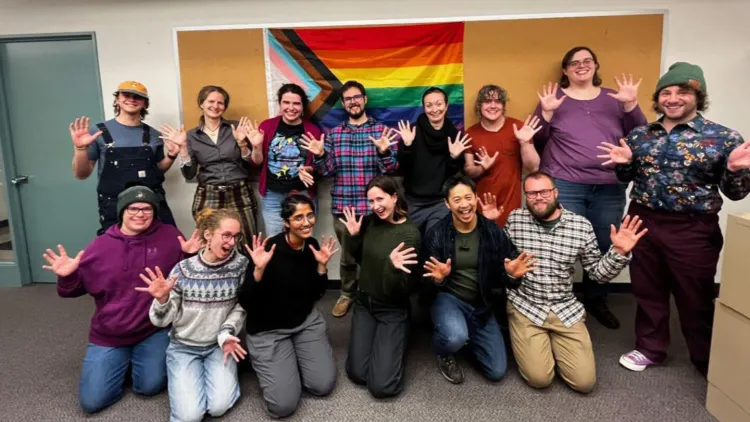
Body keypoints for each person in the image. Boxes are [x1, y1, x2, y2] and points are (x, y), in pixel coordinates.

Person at [597, 62, 750, 376]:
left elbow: (735, 194)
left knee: (695, 295)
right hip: (643, 220)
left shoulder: (722, 137)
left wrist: (735, 170)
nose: (673, 98)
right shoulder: (640, 135)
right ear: (657, 98)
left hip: (692, 226)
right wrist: (624, 164)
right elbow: (628, 177)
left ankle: (706, 357)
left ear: (697, 96)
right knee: (647, 289)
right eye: (666, 92)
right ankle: (650, 348)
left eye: (682, 91)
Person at [42, 185, 200, 414]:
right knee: (92, 402)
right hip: (110, 334)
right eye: (133, 208)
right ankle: (121, 362)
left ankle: (132, 363)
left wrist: (189, 256)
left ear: (154, 211)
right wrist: (68, 277)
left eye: (146, 208)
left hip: (152, 329)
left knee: (149, 387)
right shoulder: (101, 245)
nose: (140, 214)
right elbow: (71, 292)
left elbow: (184, 278)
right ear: (122, 212)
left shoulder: (169, 236)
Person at [532, 46, 649, 329]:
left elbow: (640, 135)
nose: (581, 66)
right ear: (565, 70)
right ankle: (562, 298)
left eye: (587, 61)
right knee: (562, 244)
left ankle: (597, 299)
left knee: (603, 244)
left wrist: (631, 105)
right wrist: (546, 113)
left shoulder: (615, 98)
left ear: (596, 66)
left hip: (609, 185)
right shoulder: (553, 99)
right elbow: (537, 140)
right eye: (574, 62)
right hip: (565, 182)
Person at [503, 171, 646, 393]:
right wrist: (511, 273)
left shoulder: (581, 226)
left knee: (584, 383)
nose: (538, 197)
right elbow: (501, 261)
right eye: (531, 193)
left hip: (564, 308)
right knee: (540, 379)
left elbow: (597, 274)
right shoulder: (515, 220)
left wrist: (617, 252)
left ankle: (556, 343)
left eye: (544, 192)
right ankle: (537, 344)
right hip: (526, 306)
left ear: (556, 192)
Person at [300, 80, 400, 318]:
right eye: (348, 99)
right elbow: (327, 172)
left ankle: (376, 294)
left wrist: (384, 152)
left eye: (357, 97)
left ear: (364, 100)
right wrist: (321, 154)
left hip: (375, 210)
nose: (353, 102)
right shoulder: (334, 135)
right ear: (343, 104)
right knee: (347, 258)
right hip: (344, 209)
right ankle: (347, 294)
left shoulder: (381, 132)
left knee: (377, 255)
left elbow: (392, 169)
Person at [422, 175, 534, 384]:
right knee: (454, 337)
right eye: (457, 200)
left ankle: (466, 336)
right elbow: (425, 285)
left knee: (497, 371)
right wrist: (438, 280)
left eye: (468, 197)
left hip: (481, 303)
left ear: (476, 198)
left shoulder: (492, 232)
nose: (464, 205)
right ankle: (445, 351)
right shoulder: (436, 234)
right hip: (449, 299)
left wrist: (512, 275)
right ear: (447, 204)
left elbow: (507, 275)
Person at [140, 208, 249, 422]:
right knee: (190, 417)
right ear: (208, 235)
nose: (231, 242)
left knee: (219, 407)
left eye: (236, 237)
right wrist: (162, 300)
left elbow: (241, 307)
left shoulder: (241, 266)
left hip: (219, 346)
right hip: (183, 347)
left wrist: (226, 334)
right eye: (226, 235)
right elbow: (160, 320)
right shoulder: (183, 270)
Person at [239, 194, 338, 419]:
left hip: (304, 322)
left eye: (310, 215)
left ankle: (294, 354)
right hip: (269, 330)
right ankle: (269, 360)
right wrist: (258, 271)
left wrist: (322, 267)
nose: (306, 222)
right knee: (282, 406)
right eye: (298, 217)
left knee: (322, 386)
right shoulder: (268, 251)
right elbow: (246, 302)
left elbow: (317, 293)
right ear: (286, 222)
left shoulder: (311, 246)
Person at [340, 175, 421, 398]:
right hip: (365, 303)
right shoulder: (370, 222)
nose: (375, 206)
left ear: (394, 197)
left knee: (381, 387)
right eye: (371, 201)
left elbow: (404, 289)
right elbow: (359, 259)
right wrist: (354, 236)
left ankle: (400, 337)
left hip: (392, 308)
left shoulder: (409, 234)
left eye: (380, 199)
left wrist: (393, 268)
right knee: (357, 374)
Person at [69, 81, 179, 235]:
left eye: (138, 97)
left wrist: (172, 155)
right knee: (119, 251)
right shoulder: (99, 132)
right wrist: (80, 148)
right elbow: (81, 174)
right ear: (117, 99)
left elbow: (158, 169)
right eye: (126, 95)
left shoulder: (153, 135)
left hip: (150, 204)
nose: (132, 99)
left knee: (165, 244)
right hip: (114, 206)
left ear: (145, 104)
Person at [161, 85, 259, 242]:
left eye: (220, 103)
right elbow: (189, 173)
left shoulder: (236, 128)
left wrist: (242, 143)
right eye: (211, 101)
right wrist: (183, 148)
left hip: (239, 193)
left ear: (225, 106)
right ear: (201, 103)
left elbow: (251, 165)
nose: (215, 106)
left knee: (245, 241)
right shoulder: (191, 136)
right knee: (210, 242)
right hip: (209, 194)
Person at [395, 86, 471, 235]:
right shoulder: (412, 132)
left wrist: (454, 157)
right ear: (424, 108)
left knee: (435, 242)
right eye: (429, 105)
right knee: (410, 243)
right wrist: (408, 146)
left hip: (440, 202)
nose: (434, 109)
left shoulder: (454, 135)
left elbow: (454, 174)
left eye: (439, 104)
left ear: (446, 105)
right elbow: (403, 168)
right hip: (413, 202)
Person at [464, 84, 542, 227]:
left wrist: (525, 143)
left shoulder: (519, 127)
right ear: (479, 105)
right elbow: (469, 171)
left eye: (498, 101)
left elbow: (533, 167)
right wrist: (482, 168)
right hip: (483, 205)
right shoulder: (470, 133)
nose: (493, 105)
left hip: (513, 204)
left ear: (503, 105)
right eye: (487, 101)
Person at [251, 83, 323, 236]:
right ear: (280, 104)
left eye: (296, 103)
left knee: (303, 239)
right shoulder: (267, 126)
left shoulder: (313, 130)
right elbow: (256, 163)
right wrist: (256, 147)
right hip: (273, 195)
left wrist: (309, 169)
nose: (291, 107)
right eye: (286, 102)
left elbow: (320, 168)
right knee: (276, 240)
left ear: (303, 106)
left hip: (302, 193)